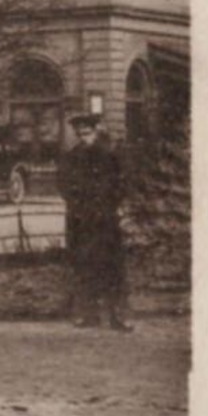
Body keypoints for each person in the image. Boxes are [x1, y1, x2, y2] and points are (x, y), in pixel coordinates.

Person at [59, 112, 130, 331]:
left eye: (87, 133)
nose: (83, 138)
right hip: (81, 221)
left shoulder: (109, 155)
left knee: (112, 267)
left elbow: (122, 182)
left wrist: (111, 204)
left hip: (105, 221)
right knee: (84, 267)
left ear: (96, 132)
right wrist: (76, 203)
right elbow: (63, 185)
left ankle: (118, 317)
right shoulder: (71, 157)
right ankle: (90, 315)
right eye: (80, 134)